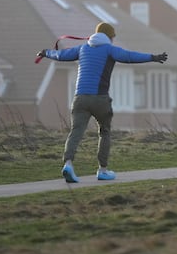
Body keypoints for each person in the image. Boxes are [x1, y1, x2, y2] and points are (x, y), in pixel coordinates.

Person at [36, 22, 168, 183]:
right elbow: (129, 56)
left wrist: (45, 52)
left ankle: (68, 164)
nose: (113, 40)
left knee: (76, 131)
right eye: (113, 37)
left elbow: (61, 55)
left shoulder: (82, 48)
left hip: (80, 98)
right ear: (109, 37)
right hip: (100, 99)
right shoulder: (110, 50)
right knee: (104, 132)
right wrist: (152, 57)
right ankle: (102, 170)